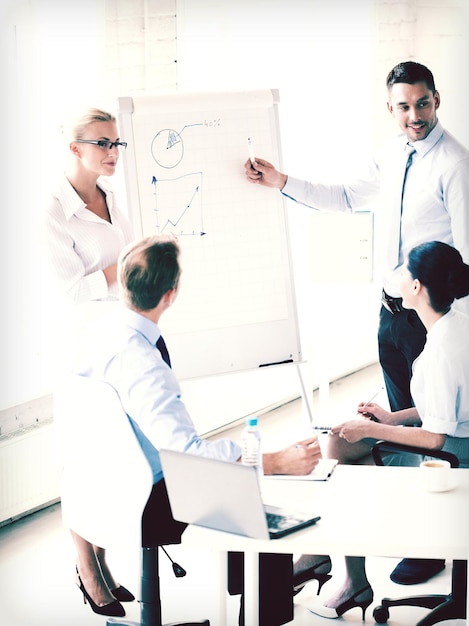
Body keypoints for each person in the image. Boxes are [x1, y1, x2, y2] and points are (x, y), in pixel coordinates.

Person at [245, 60, 469, 585]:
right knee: (404, 420)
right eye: (403, 106)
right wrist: (282, 181)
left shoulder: (455, 164)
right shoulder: (391, 155)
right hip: (393, 311)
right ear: (389, 108)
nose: (414, 115)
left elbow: (464, 253)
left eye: (423, 103)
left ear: (437, 100)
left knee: (436, 430)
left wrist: (455, 327)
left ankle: (435, 546)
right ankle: (397, 533)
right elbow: (345, 198)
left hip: (433, 314)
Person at [70, 234, 322, 626]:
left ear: (122, 281)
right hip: (141, 500)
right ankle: (262, 615)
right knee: (258, 512)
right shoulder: (142, 362)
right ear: (171, 294)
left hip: (99, 486)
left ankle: (249, 593)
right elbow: (186, 455)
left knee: (239, 485)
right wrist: (273, 461)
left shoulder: (98, 334)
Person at [307, 240, 469, 619]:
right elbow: (450, 408)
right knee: (340, 445)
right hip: (458, 440)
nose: (397, 280)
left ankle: (349, 577)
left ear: (415, 288)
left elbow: (435, 438)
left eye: (405, 274)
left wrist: (367, 432)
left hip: (455, 457)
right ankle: (338, 568)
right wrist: (391, 418)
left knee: (344, 459)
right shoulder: (456, 325)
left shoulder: (444, 347)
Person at [41, 107, 135, 616]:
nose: (113, 153)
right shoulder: (50, 210)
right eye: (103, 144)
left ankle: (104, 560)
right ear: (74, 148)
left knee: (111, 460)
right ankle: (86, 569)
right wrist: (125, 267)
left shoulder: (112, 196)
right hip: (80, 351)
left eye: (117, 143)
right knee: (81, 464)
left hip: (120, 345)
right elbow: (71, 293)